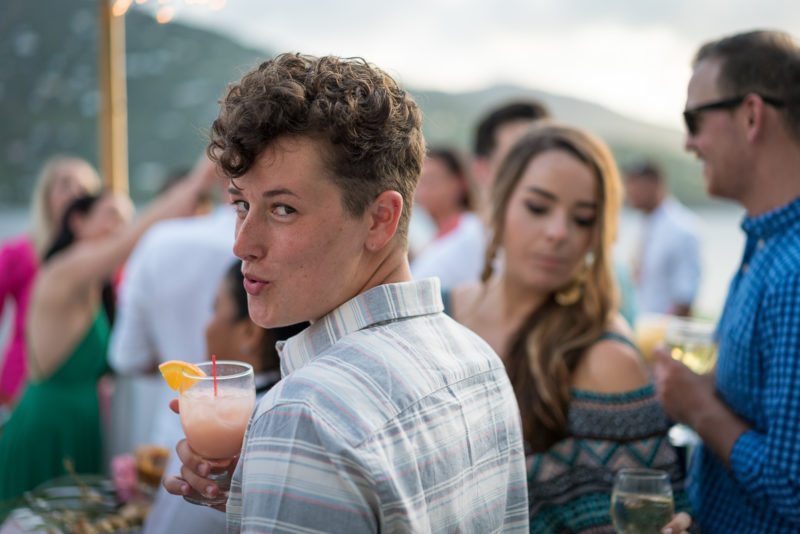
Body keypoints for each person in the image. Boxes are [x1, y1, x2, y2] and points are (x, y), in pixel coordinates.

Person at [164, 53, 528, 532]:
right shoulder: (477, 361)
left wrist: (289, 455)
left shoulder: (306, 414)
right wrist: (266, 486)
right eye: (241, 203)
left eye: (283, 210)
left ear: (380, 219)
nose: (242, 245)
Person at [446, 123, 689, 532]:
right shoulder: (438, 314)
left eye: (583, 218)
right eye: (538, 208)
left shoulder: (605, 357)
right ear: (500, 203)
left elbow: (649, 514)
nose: (559, 232)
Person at [654, 30, 800, 532]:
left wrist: (697, 406)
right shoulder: (763, 244)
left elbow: (793, 486)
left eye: (694, 119)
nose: (688, 142)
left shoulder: (794, 267)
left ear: (752, 114)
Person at [0, 170, 212, 501]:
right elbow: (136, 238)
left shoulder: (93, 285)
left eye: (126, 219)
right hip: (48, 427)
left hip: (80, 422)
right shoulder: (63, 270)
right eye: (111, 215)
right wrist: (199, 180)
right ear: (78, 222)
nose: (120, 229)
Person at [140, 260, 306, 534]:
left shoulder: (259, 419)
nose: (207, 325)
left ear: (250, 332)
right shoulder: (280, 400)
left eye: (215, 309)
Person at [0, 156, 101, 406]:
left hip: (85, 388)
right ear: (46, 197)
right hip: (24, 386)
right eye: (65, 185)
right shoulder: (18, 254)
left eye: (84, 188)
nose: (75, 194)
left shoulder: (102, 259)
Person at [625, 160, 701, 316]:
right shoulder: (645, 224)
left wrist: (663, 333)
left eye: (636, 186)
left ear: (656, 185)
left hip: (661, 334)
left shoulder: (682, 229)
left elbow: (685, 296)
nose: (630, 193)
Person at [410, 147, 483, 289]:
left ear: (459, 183)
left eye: (430, 180)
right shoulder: (428, 238)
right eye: (419, 182)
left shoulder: (473, 230)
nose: (421, 190)